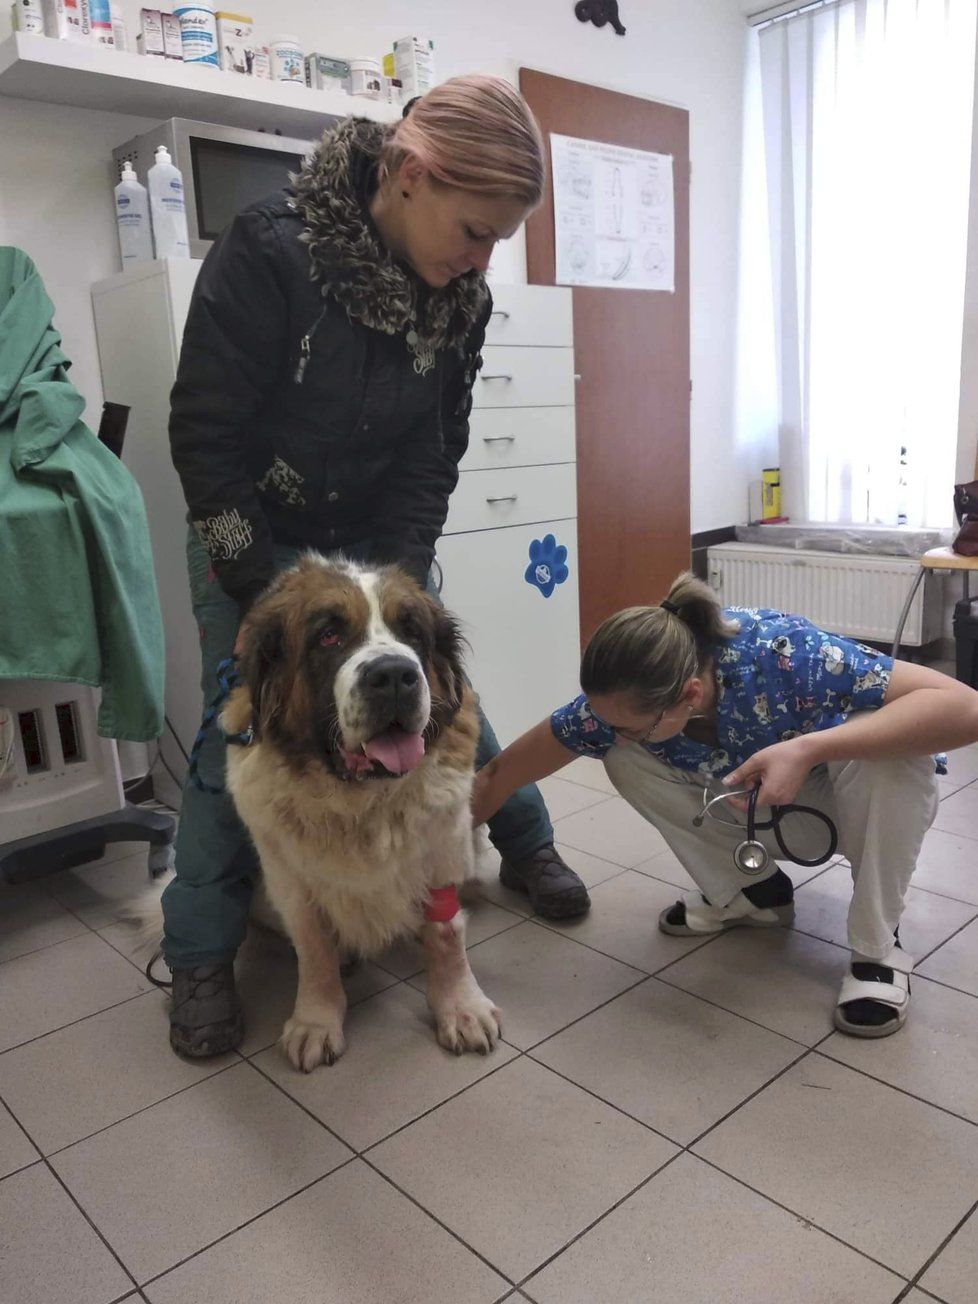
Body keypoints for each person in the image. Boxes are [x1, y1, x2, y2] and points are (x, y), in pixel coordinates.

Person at [164, 76, 590, 1060]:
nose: (480, 261)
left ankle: (523, 844)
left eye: (495, 242)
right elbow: (205, 436)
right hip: (252, 530)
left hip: (376, 532)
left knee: (438, 690)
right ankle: (198, 953)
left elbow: (431, 455)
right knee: (240, 722)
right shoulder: (269, 247)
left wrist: (397, 596)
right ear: (409, 175)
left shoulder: (460, 298)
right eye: (475, 231)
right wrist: (263, 599)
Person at [474, 571, 978, 1037]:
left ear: (690, 693)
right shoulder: (624, 701)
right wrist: (430, 850)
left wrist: (809, 748)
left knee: (892, 758)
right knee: (624, 759)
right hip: (754, 805)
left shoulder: (785, 653)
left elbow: (965, 707)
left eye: (630, 725)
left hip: (853, 804)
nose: (611, 730)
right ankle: (752, 896)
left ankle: (878, 948)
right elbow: (499, 774)